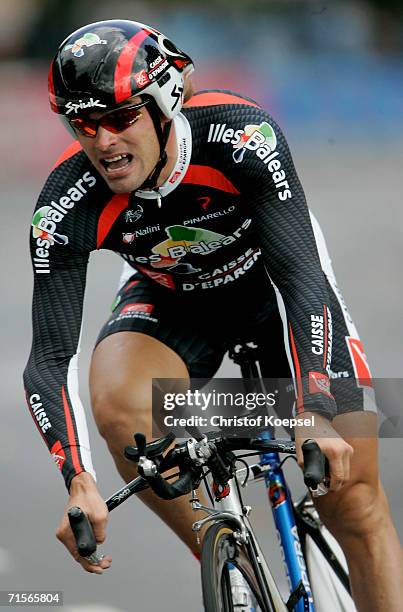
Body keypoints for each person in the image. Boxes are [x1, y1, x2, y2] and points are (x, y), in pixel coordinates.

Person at [24, 19, 403, 609]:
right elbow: (49, 358)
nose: (102, 142)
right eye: (84, 124)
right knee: (121, 400)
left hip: (276, 289)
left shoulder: (241, 135)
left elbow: (303, 280)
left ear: (163, 104)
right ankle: (231, 565)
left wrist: (316, 410)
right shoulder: (66, 203)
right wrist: (79, 481)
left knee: (352, 497)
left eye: (121, 118)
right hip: (175, 300)